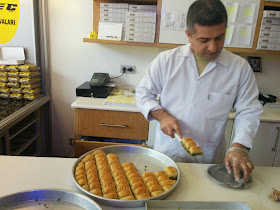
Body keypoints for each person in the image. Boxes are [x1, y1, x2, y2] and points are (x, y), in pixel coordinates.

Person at [136, 0, 263, 182]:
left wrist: (239, 147)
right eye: (204, 40)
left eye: (219, 38)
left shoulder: (239, 68)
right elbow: (143, 93)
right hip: (167, 155)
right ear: (189, 35)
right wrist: (162, 116)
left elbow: (249, 110)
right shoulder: (166, 61)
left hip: (209, 161)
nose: (213, 47)